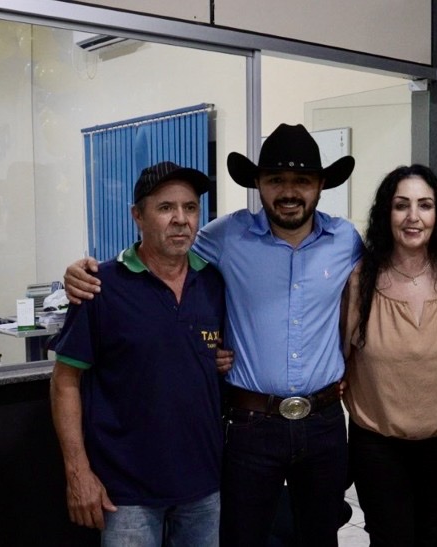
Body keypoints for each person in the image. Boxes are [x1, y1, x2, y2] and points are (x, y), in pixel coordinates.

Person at [64, 124, 362, 546]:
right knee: (241, 538)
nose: (289, 191)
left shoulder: (347, 240)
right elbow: (159, 254)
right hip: (251, 425)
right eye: (276, 180)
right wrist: (82, 272)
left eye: (302, 181)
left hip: (325, 422)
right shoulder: (224, 237)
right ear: (258, 184)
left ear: (320, 185)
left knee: (320, 537)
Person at [51, 161, 226, 545]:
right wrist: (78, 472)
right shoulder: (100, 287)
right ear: (137, 216)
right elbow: (65, 381)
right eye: (166, 208)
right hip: (125, 491)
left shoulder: (212, 282)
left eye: (190, 208)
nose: (181, 219)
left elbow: (206, 354)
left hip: (203, 484)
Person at [342, 164, 437, 546]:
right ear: (387, 213)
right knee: (390, 540)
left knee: (436, 537)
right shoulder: (360, 280)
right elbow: (338, 357)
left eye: (425, 205)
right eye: (402, 205)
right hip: (378, 447)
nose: (413, 217)